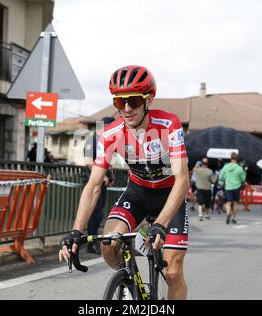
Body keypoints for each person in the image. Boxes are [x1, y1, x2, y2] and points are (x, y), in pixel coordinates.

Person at [59, 65, 190, 299]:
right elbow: (94, 185)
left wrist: (160, 223)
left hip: (169, 195)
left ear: (148, 99)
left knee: (173, 271)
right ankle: (131, 281)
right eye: (120, 103)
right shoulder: (110, 134)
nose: (127, 109)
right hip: (137, 192)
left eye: (133, 101)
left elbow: (182, 179)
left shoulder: (168, 124)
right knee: (109, 244)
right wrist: (76, 230)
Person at [83, 116, 116, 254]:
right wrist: (102, 177)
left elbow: (108, 161)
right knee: (95, 214)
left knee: (99, 213)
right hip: (93, 181)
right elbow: (89, 162)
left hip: (103, 182)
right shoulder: (93, 140)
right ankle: (91, 243)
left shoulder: (106, 142)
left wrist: (112, 175)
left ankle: (93, 242)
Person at [219, 152, 246, 224]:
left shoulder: (226, 167)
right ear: (237, 159)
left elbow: (221, 177)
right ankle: (233, 218)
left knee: (228, 203)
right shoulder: (239, 168)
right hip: (237, 187)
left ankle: (228, 213)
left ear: (230, 158)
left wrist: (226, 177)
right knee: (235, 203)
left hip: (228, 187)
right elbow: (243, 179)